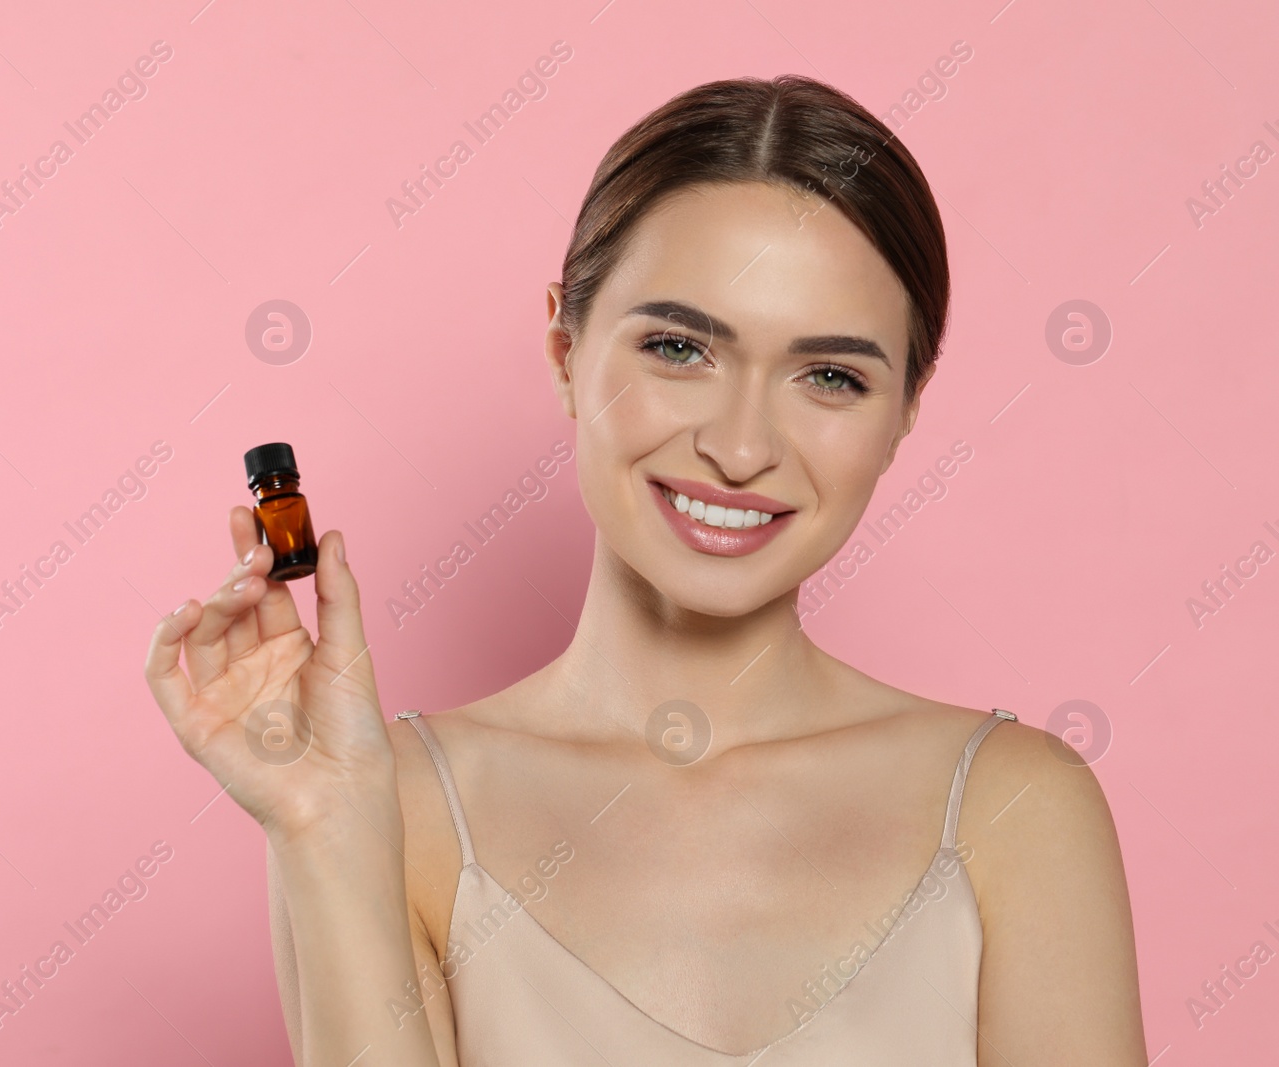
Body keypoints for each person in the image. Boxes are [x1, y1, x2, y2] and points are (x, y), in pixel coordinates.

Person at [144, 74, 1147, 1066]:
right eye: (678, 347)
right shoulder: (379, 802)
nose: (742, 445)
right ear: (564, 347)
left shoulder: (1015, 810)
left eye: (830, 375)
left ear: (904, 414)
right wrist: (322, 821)